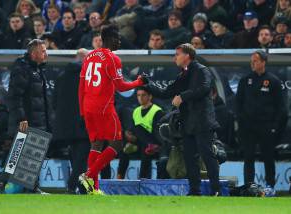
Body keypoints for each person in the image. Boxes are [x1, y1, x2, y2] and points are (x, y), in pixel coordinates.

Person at [78, 24, 147, 194]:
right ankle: (89, 175)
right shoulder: (112, 59)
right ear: (109, 39)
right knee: (117, 143)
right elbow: (121, 86)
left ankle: (93, 189)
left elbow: (81, 85)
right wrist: (139, 82)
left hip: (88, 106)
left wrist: (82, 109)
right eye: (118, 38)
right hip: (103, 107)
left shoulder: (89, 56)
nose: (120, 42)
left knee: (96, 144)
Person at [147, 43, 220, 196]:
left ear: (187, 56)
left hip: (202, 121)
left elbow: (204, 88)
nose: (175, 58)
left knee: (207, 155)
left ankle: (216, 190)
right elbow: (167, 92)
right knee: (189, 158)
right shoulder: (183, 74)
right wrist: (147, 85)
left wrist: (183, 96)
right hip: (187, 122)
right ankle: (195, 191)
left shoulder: (201, 70)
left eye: (177, 54)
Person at [0, 39, 50, 194]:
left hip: (38, 119)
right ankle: (2, 178)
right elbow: (14, 96)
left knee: (34, 155)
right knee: (18, 155)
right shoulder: (22, 69)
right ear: (34, 53)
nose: (46, 54)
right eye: (43, 51)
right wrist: (21, 118)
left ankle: (31, 187)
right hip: (25, 121)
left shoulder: (38, 69)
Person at [236, 50, 287, 196]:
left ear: (263, 62)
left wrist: (274, 127)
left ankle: (270, 186)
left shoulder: (273, 81)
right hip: (248, 127)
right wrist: (241, 120)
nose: (252, 63)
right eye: (252, 61)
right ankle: (248, 187)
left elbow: (281, 108)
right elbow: (238, 103)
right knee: (248, 157)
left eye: (256, 61)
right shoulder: (245, 80)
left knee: (268, 157)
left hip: (266, 126)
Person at [53, 48, 91, 194]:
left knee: (76, 158)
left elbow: (54, 102)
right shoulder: (88, 77)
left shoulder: (61, 76)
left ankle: (82, 189)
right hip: (83, 124)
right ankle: (71, 187)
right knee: (81, 159)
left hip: (65, 127)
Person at [117, 86, 164, 179]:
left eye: (143, 95)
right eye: (138, 95)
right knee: (124, 149)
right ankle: (119, 177)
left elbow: (157, 133)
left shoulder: (157, 111)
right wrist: (129, 135)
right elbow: (132, 128)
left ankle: (142, 180)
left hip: (154, 143)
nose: (140, 98)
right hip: (140, 141)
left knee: (145, 146)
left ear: (150, 97)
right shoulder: (136, 111)